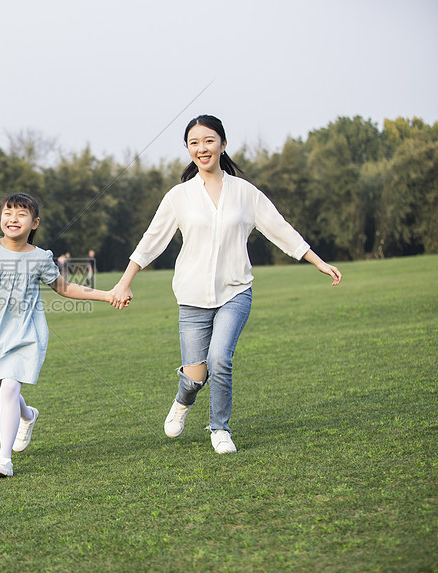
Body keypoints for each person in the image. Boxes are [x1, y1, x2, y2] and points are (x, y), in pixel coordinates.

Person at [111, 115, 341, 454]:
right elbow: (151, 240)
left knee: (220, 358)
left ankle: (219, 428)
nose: (202, 148)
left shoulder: (245, 192)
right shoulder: (179, 196)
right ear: (188, 149)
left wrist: (317, 261)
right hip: (191, 296)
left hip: (235, 291)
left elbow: (280, 228)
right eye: (194, 143)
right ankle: (182, 399)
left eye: (208, 140)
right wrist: (124, 282)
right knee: (194, 376)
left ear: (222, 144)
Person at [0, 192, 118, 478]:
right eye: (8, 213)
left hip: (26, 334)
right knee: (4, 397)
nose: (13, 218)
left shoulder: (40, 258)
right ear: (1, 218)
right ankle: (28, 415)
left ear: (34, 223)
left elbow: (65, 288)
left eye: (21, 214)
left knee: (10, 389)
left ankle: (3, 459)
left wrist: (107, 295)